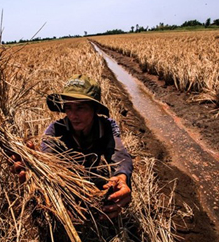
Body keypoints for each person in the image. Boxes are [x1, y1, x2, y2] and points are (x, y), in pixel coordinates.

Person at [13, 74, 133, 219]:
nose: (73, 115)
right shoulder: (56, 131)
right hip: (67, 177)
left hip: (92, 174)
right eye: (68, 107)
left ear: (94, 109)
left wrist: (121, 176)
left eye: (80, 108)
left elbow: (119, 154)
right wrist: (37, 166)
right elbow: (49, 158)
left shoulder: (106, 126)